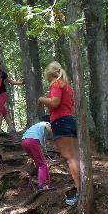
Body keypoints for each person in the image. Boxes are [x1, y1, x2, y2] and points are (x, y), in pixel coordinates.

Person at [38, 61, 79, 206]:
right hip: (70, 121)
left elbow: (55, 102)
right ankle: (83, 189)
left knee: (71, 158)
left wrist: (42, 99)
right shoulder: (67, 86)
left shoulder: (56, 83)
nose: (48, 80)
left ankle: (80, 191)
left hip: (61, 122)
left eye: (47, 77)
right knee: (75, 157)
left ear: (51, 74)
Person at [0, 57, 24, 134]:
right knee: (4, 111)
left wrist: (21, 83)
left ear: (0, 64)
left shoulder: (3, 74)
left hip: (2, 93)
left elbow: (11, 82)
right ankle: (12, 128)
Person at [21, 121, 54, 191]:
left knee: (40, 163)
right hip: (32, 141)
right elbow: (49, 129)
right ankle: (42, 184)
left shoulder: (37, 127)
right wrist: (55, 135)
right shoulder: (46, 123)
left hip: (24, 142)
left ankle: (47, 182)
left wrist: (44, 150)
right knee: (42, 164)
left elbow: (42, 143)